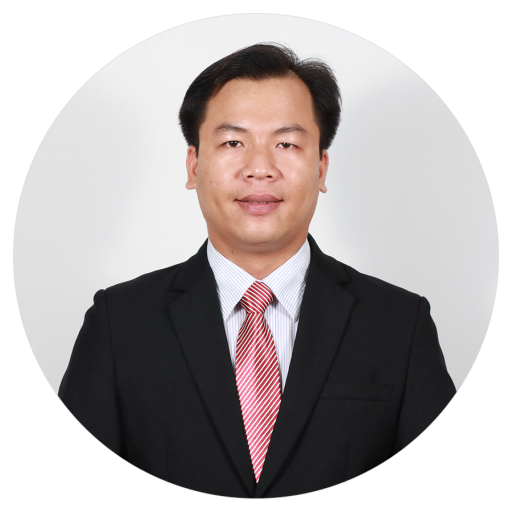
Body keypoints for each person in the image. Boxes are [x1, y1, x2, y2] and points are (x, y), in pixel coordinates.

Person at [58, 43, 456, 497]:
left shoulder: (399, 325)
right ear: (193, 165)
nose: (260, 169)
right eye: (233, 142)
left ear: (321, 167)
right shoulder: (119, 323)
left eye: (286, 143)